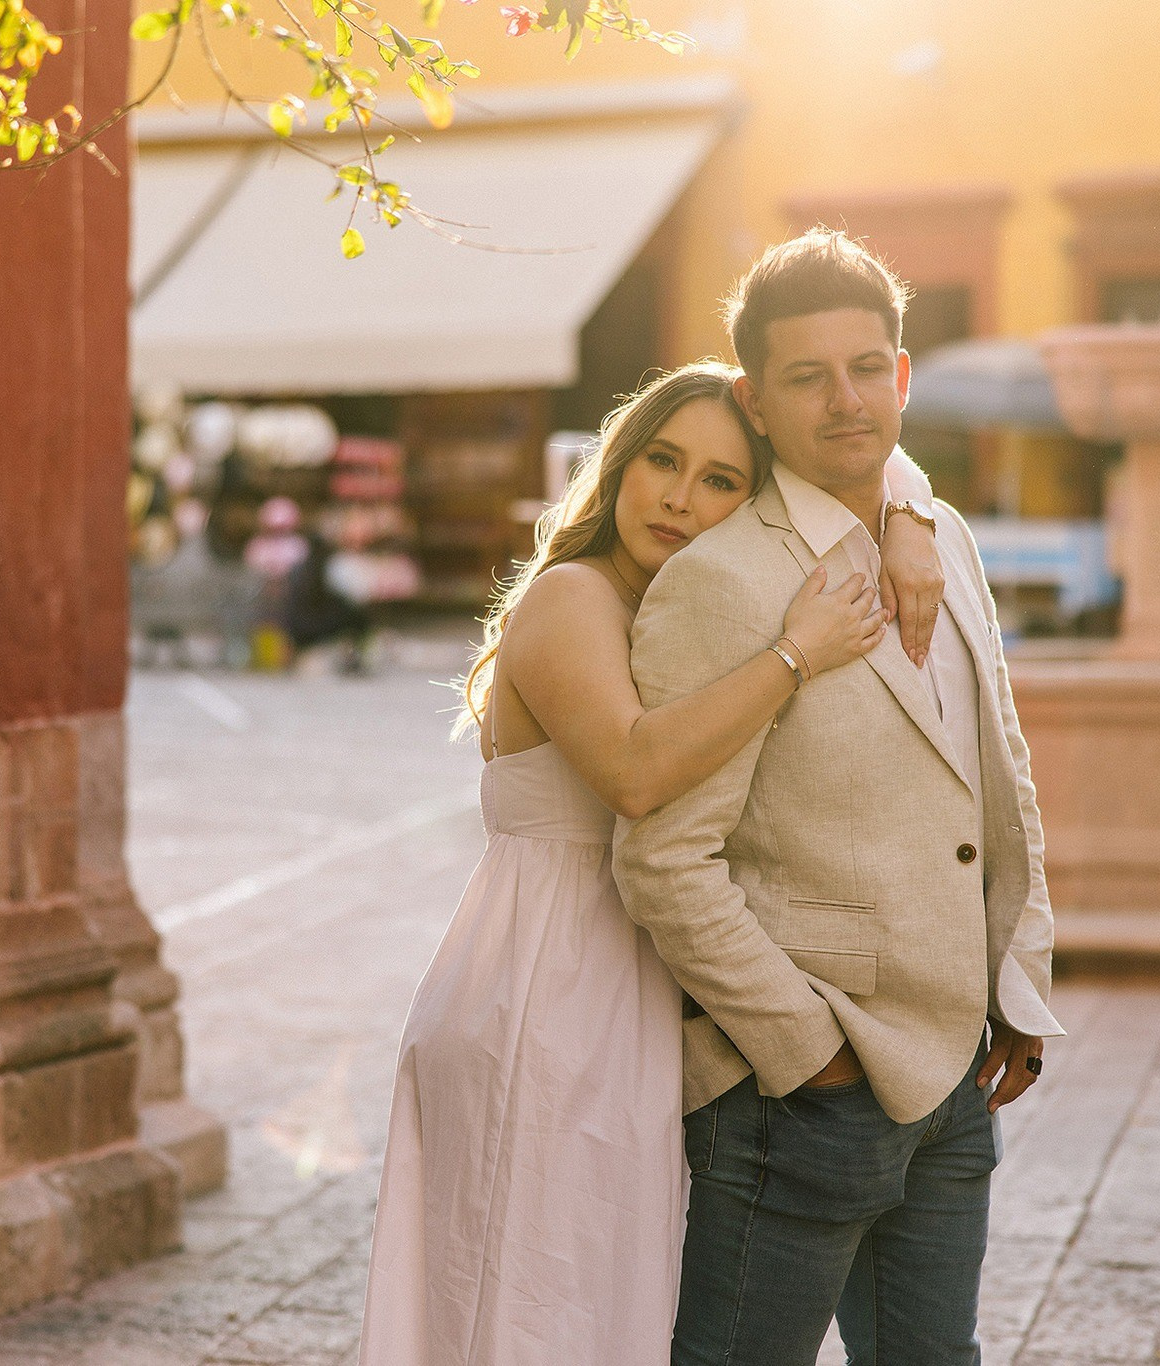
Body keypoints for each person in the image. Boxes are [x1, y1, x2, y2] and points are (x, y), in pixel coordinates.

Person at [358, 360, 945, 1365]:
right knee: (530, 1305)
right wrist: (797, 653)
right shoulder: (570, 596)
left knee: (593, 1303)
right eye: (661, 461)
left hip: (623, 999)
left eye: (720, 479)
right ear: (618, 469)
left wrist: (909, 510)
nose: (679, 496)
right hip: (542, 993)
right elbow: (632, 772)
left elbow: (859, 459)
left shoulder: (678, 611)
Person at [613, 230, 1063, 1366]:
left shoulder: (942, 535)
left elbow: (996, 770)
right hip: (802, 1094)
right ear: (755, 403)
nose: (844, 400)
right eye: (805, 378)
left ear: (902, 375)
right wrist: (801, 1049)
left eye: (866, 368)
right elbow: (662, 858)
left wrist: (1013, 977)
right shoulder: (717, 582)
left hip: (956, 1079)